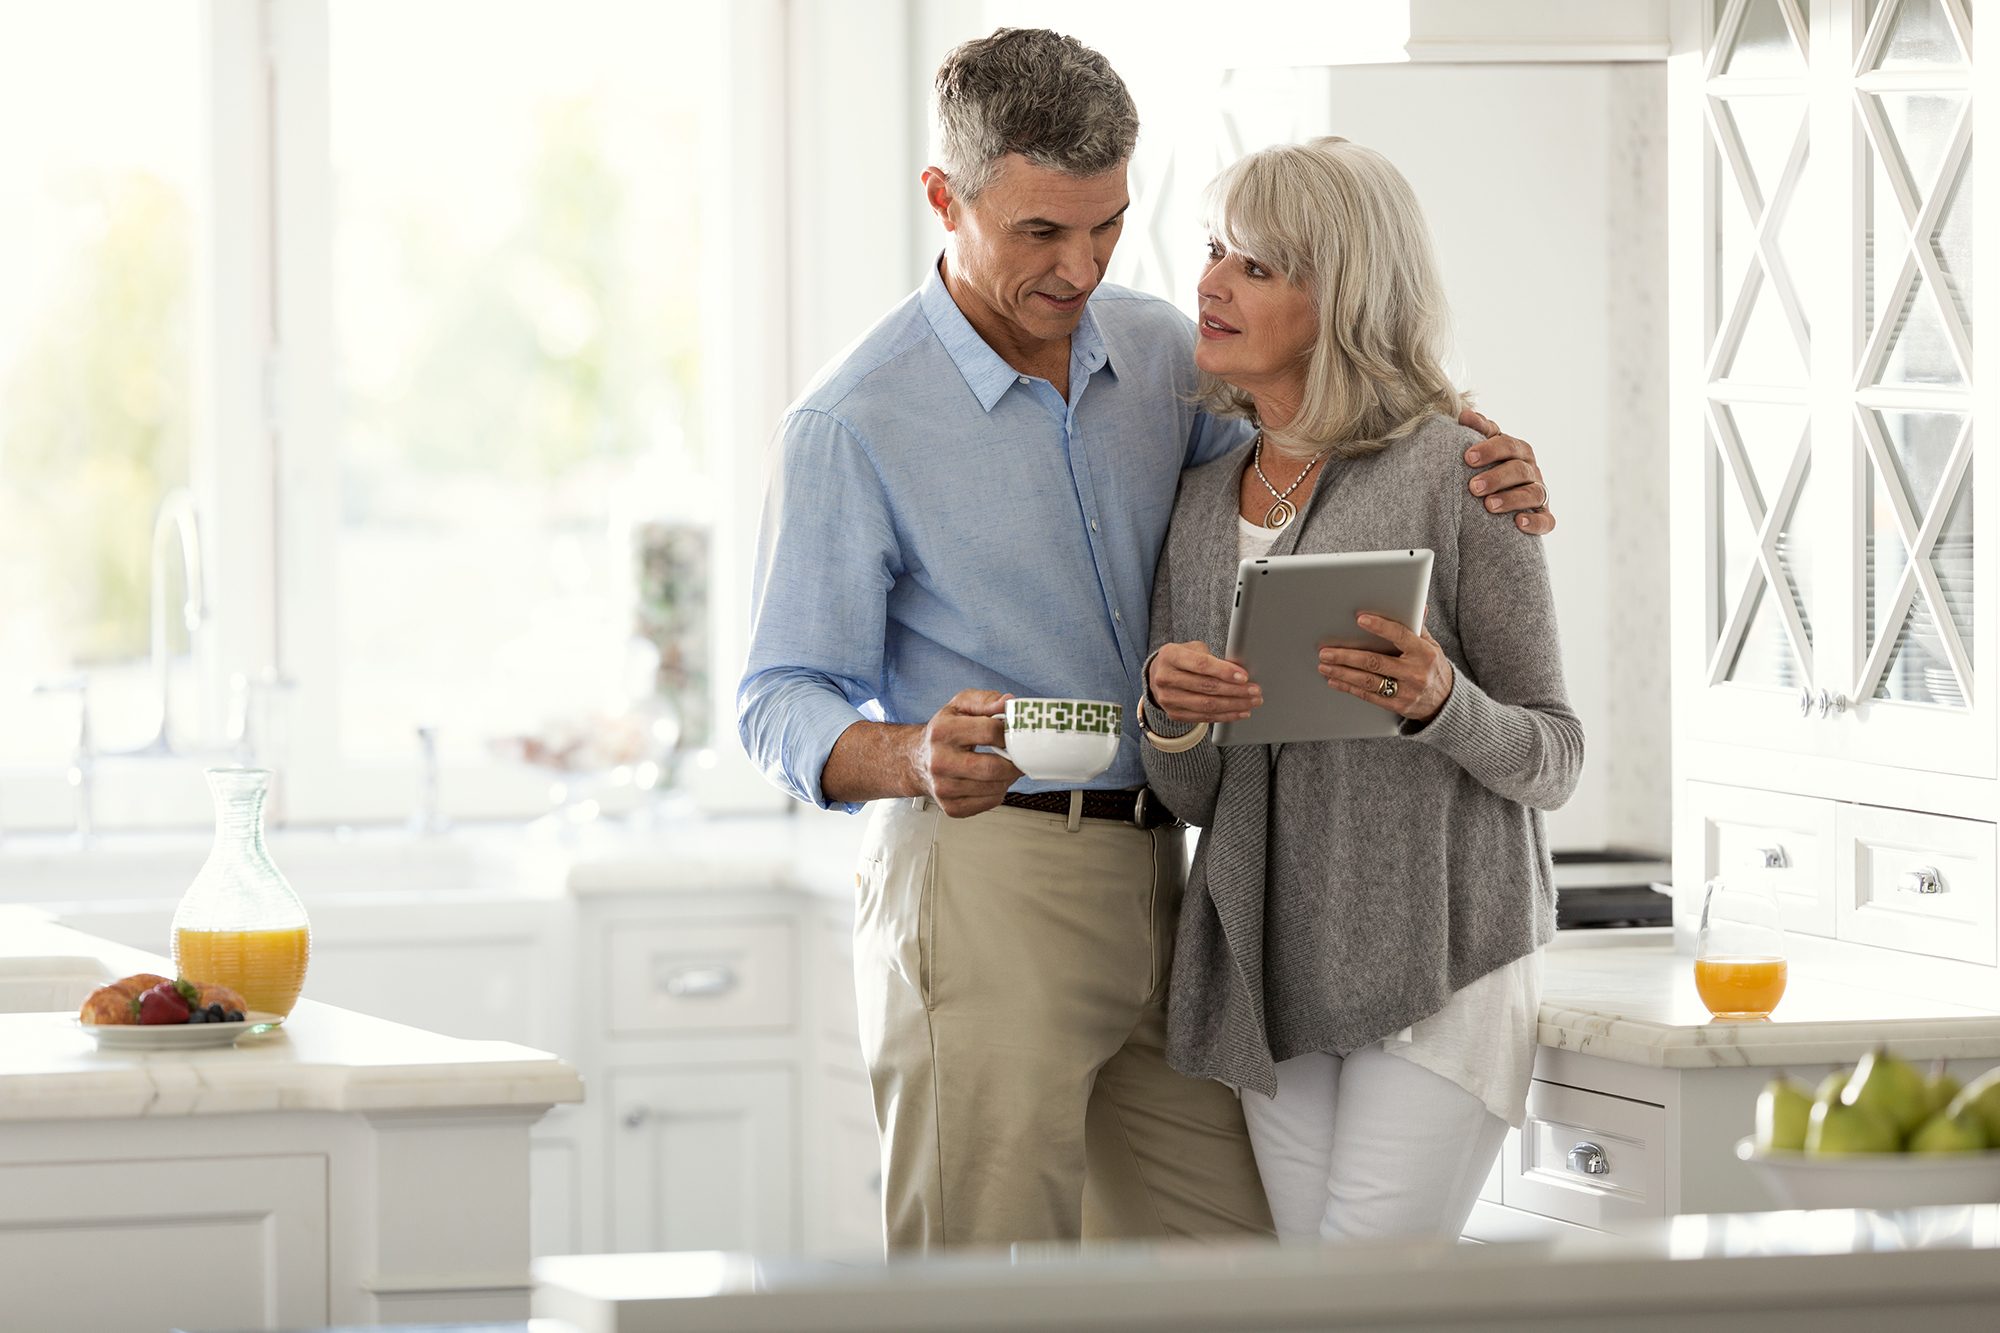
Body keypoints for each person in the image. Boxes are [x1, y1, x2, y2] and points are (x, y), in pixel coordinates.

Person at [737, 29, 1554, 1254]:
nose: (1081, 269)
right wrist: (906, 756)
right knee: (988, 1264)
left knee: (1229, 1266)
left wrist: (1469, 444)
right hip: (984, 876)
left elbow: (1312, 461)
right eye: (1039, 235)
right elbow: (774, 696)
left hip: (1177, 889)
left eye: (1106, 224)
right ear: (942, 199)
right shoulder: (853, 423)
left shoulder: (1166, 356)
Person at [1137, 136, 1583, 1244]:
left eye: (1255, 264)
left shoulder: (1457, 469)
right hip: (1268, 964)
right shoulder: (1196, 501)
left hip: (1439, 960)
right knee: (1317, 1293)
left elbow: (1554, 756)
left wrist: (1441, 702)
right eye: (1211, 250)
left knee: (1359, 1293)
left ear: (1340, 294)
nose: (1209, 282)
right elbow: (1193, 798)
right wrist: (1170, 714)